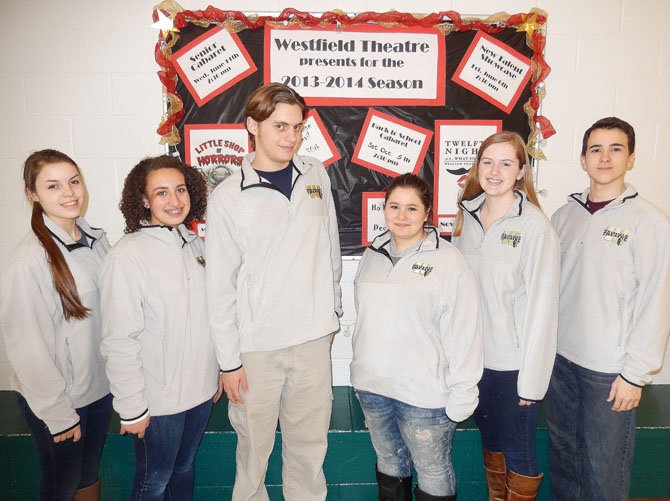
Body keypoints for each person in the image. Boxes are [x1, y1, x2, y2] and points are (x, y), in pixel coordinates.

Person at [206, 82, 342, 500]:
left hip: (312, 342)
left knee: (308, 452)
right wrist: (229, 362)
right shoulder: (228, 195)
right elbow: (220, 285)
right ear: (253, 125)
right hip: (256, 351)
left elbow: (331, 246)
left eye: (298, 128)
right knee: (253, 456)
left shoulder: (315, 173)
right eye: (280, 126)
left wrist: (331, 314)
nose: (291, 137)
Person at [546, 117, 670, 501]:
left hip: (608, 370)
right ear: (582, 160)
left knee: (603, 468)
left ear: (631, 159)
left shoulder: (648, 222)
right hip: (560, 361)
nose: (604, 157)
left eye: (615, 149)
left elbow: (657, 299)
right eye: (595, 149)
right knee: (565, 458)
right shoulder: (563, 217)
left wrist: (635, 374)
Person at [350, 173, 483, 501]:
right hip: (373, 388)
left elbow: (465, 329)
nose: (401, 215)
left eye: (412, 208)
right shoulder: (372, 254)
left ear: (427, 213)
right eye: (394, 206)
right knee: (389, 462)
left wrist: (464, 390)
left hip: (424, 395)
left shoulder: (449, 261)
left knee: (433, 470)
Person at [99, 155, 220, 501]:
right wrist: (132, 407)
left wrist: (212, 374)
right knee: (154, 480)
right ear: (143, 200)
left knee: (183, 469)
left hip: (199, 393)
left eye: (180, 190)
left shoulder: (196, 245)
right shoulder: (127, 256)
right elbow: (119, 340)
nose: (175, 200)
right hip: (158, 400)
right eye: (162, 192)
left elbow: (207, 318)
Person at [452, 131, 560, 500]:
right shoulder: (464, 217)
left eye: (506, 163)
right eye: (487, 161)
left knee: (519, 452)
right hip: (474, 362)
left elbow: (543, 311)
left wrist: (532, 382)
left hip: (513, 368)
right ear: (477, 167)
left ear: (521, 172)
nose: (494, 171)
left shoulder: (535, 227)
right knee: (492, 446)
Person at [0, 149, 112, 500]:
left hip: (98, 390)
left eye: (74, 182)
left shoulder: (97, 239)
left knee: (88, 474)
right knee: (60, 486)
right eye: (53, 186)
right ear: (33, 194)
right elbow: (26, 346)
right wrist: (58, 413)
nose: (69, 193)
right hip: (60, 400)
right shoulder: (29, 260)